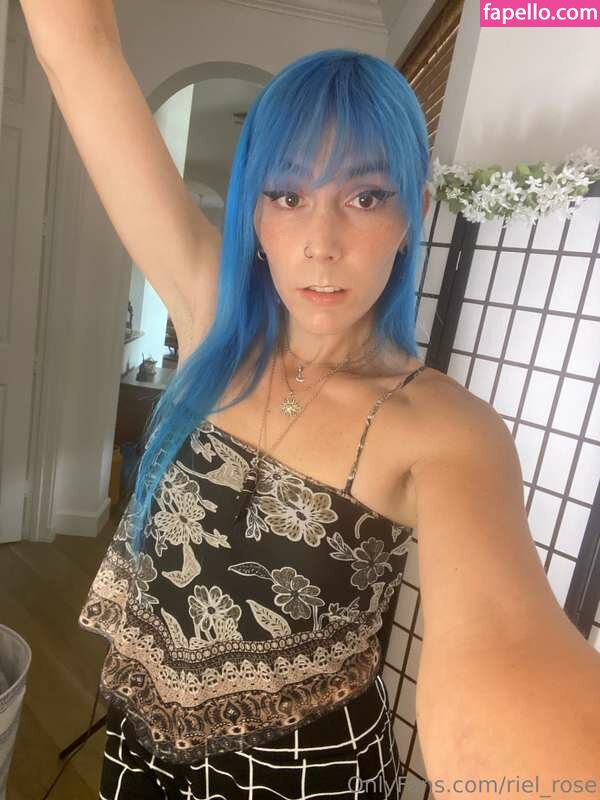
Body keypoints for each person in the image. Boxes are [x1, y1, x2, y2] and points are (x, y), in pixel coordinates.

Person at [20, 2, 600, 799]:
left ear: (414, 210)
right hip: (141, 738)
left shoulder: (444, 429)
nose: (321, 245)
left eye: (365, 197)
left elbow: (504, 650)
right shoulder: (213, 318)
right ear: (254, 212)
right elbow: (76, 47)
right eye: (288, 195)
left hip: (305, 775)